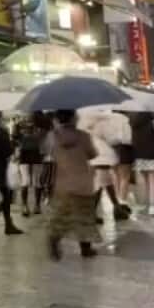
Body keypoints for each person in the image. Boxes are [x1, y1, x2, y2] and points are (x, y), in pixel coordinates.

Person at [46, 110, 100, 261]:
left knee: (62, 215)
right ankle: (86, 248)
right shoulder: (84, 136)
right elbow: (93, 154)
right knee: (85, 216)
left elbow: (48, 153)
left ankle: (54, 238)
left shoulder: (52, 136)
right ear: (74, 118)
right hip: (83, 182)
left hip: (62, 182)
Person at [13, 113, 49, 216]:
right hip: (25, 157)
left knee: (37, 182)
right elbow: (15, 139)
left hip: (36, 156)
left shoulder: (40, 129)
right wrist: (17, 126)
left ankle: (37, 206)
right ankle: (25, 206)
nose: (29, 121)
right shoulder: (20, 127)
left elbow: (43, 137)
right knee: (26, 181)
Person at [129, 112, 154, 216]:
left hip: (139, 156)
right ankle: (153, 206)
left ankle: (147, 203)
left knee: (145, 181)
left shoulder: (134, 124)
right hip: (153, 155)